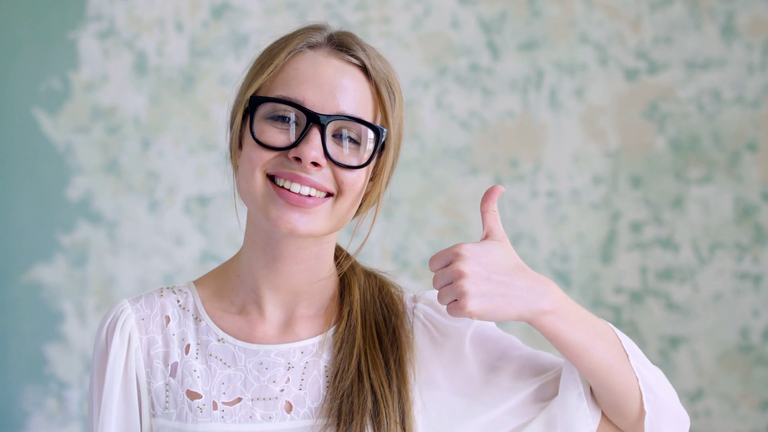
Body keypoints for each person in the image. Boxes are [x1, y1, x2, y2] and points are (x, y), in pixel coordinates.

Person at [88, 23, 690, 432]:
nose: (309, 152)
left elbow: (652, 421)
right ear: (239, 137)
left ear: (372, 177)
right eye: (283, 118)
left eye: (346, 136)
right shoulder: (144, 338)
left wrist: (543, 301)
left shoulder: (416, 337)